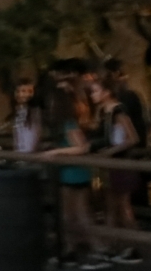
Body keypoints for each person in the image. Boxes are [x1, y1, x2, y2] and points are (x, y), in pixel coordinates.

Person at [43, 84, 108, 270]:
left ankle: (97, 250)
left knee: (78, 214)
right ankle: (73, 250)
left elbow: (82, 147)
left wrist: (56, 152)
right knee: (71, 214)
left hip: (73, 172)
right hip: (70, 171)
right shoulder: (64, 123)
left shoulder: (68, 123)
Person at [90, 76, 141, 264]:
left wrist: (109, 152)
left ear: (107, 92)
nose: (92, 95)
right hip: (110, 162)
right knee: (110, 205)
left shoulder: (118, 111)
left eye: (95, 91)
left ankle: (133, 247)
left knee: (123, 206)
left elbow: (132, 137)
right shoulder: (104, 112)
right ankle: (112, 246)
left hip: (120, 161)